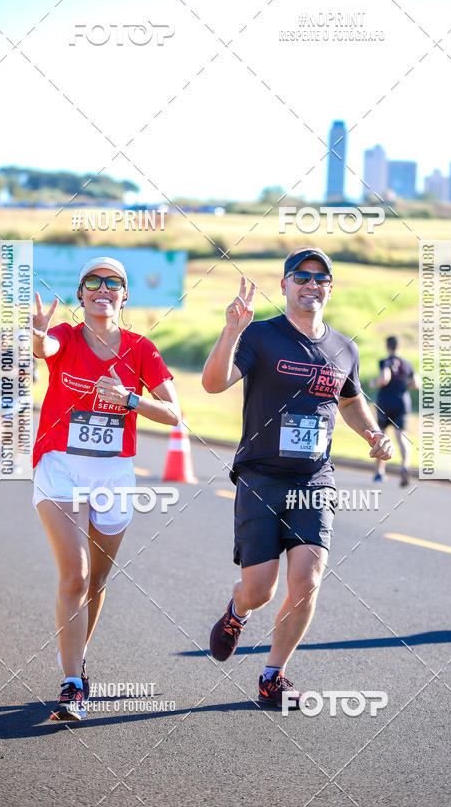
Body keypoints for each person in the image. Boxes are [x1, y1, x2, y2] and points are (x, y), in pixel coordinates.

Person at [202, 246, 393, 708]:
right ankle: (238, 610)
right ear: (285, 284)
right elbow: (213, 383)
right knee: (260, 589)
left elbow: (349, 401)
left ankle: (273, 675)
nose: (311, 284)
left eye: (320, 278)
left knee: (307, 581)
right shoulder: (261, 335)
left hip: (314, 480)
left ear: (331, 287)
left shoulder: (344, 348)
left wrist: (372, 433)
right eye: (301, 276)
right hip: (261, 476)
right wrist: (231, 332)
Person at [32, 256, 180, 722]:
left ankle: (76, 659)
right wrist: (37, 335)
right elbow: (46, 348)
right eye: (92, 282)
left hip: (113, 476)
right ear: (80, 294)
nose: (102, 288)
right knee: (75, 576)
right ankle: (71, 685)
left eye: (112, 282)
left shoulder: (141, 349)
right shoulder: (67, 336)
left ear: (124, 295)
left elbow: (174, 413)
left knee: (96, 581)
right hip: (60, 467)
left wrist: (130, 399)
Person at [370, 336, 419, 487]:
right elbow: (416, 383)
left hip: (385, 403)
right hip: (402, 403)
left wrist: (374, 383)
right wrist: (402, 385)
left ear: (387, 347)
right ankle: (405, 466)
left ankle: (380, 472)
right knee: (402, 436)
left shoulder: (386, 362)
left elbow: (384, 378)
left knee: (382, 436)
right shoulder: (407, 363)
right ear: (399, 347)